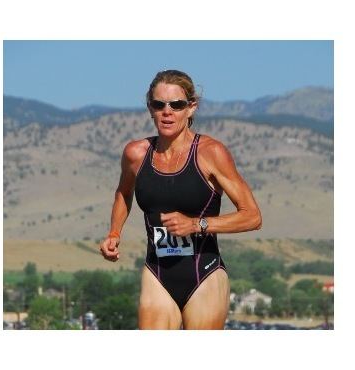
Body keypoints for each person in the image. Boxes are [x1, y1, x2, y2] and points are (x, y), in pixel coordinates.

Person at [99, 69, 262, 329]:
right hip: (157, 272)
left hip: (204, 274)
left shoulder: (211, 153)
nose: (167, 111)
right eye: (158, 104)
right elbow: (123, 193)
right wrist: (114, 233)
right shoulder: (135, 154)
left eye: (176, 105)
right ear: (149, 108)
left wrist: (197, 224)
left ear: (191, 108)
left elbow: (252, 216)